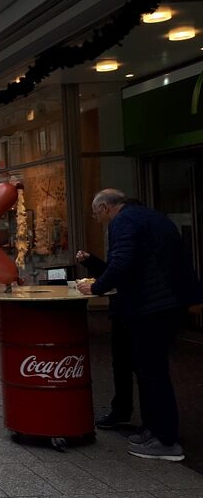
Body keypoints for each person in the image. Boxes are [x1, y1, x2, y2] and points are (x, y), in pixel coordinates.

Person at [78, 189, 203, 462]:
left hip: (152, 306)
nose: (99, 220)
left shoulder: (123, 221)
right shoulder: (152, 217)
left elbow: (122, 262)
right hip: (169, 301)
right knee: (150, 370)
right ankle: (153, 429)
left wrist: (96, 287)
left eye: (97, 214)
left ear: (105, 208)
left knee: (152, 372)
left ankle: (166, 440)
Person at [76, 248, 132, 430]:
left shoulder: (126, 231)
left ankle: (156, 427)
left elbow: (120, 269)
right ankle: (122, 411)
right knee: (122, 365)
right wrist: (91, 261)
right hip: (127, 308)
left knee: (139, 368)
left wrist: (96, 287)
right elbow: (113, 270)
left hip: (133, 308)